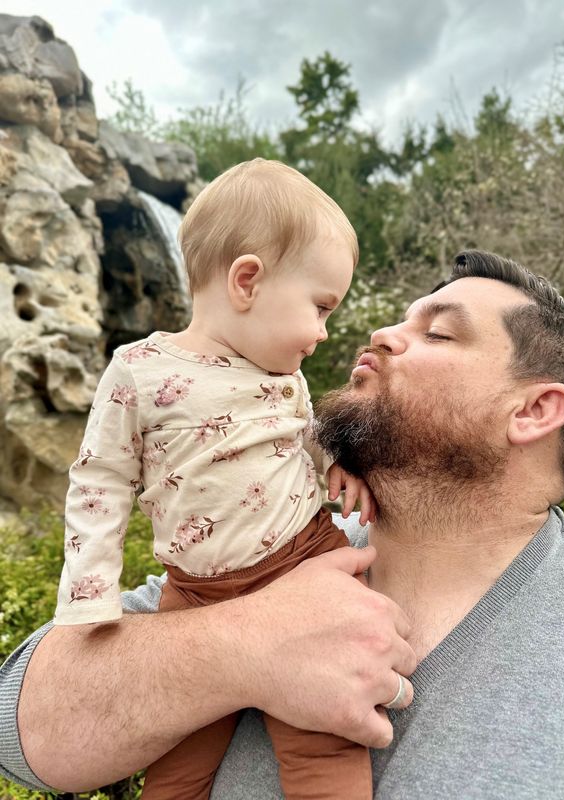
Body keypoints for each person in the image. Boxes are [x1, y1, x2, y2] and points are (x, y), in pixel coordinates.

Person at [2, 249, 564, 798]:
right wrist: (246, 645)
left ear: (534, 410)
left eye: (437, 332)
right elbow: (17, 733)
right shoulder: (264, 543)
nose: (382, 333)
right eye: (401, 320)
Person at [51, 158, 380, 799]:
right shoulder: (138, 371)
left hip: (302, 562)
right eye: (320, 307)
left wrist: (337, 464)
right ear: (247, 281)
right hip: (194, 592)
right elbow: (100, 484)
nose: (322, 333)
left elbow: (301, 442)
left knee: (324, 744)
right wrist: (91, 594)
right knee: (176, 761)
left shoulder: (284, 375)